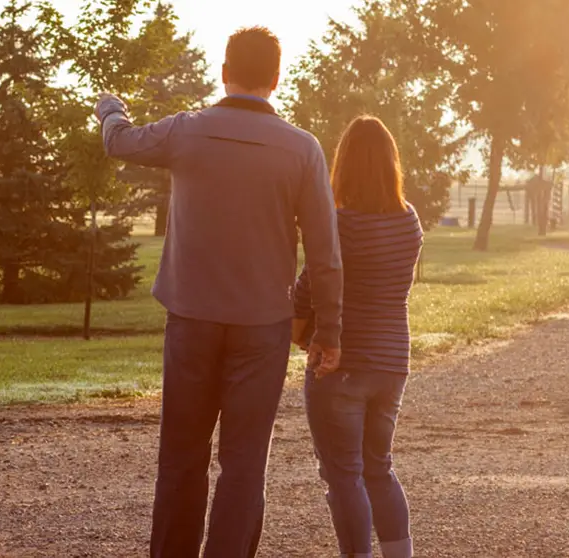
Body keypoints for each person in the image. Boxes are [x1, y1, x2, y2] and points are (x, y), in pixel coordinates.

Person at [96, 26, 343, 557]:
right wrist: (330, 330)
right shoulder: (303, 150)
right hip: (263, 328)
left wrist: (110, 107)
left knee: (182, 456)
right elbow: (325, 253)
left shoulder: (185, 132)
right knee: (244, 461)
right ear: (277, 80)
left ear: (224, 72)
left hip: (191, 321)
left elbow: (119, 141)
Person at [293, 116, 423, 558]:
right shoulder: (411, 222)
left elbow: (309, 287)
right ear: (391, 164)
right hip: (392, 363)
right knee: (378, 470)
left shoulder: (338, 223)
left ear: (344, 164)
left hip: (342, 364)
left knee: (344, 474)